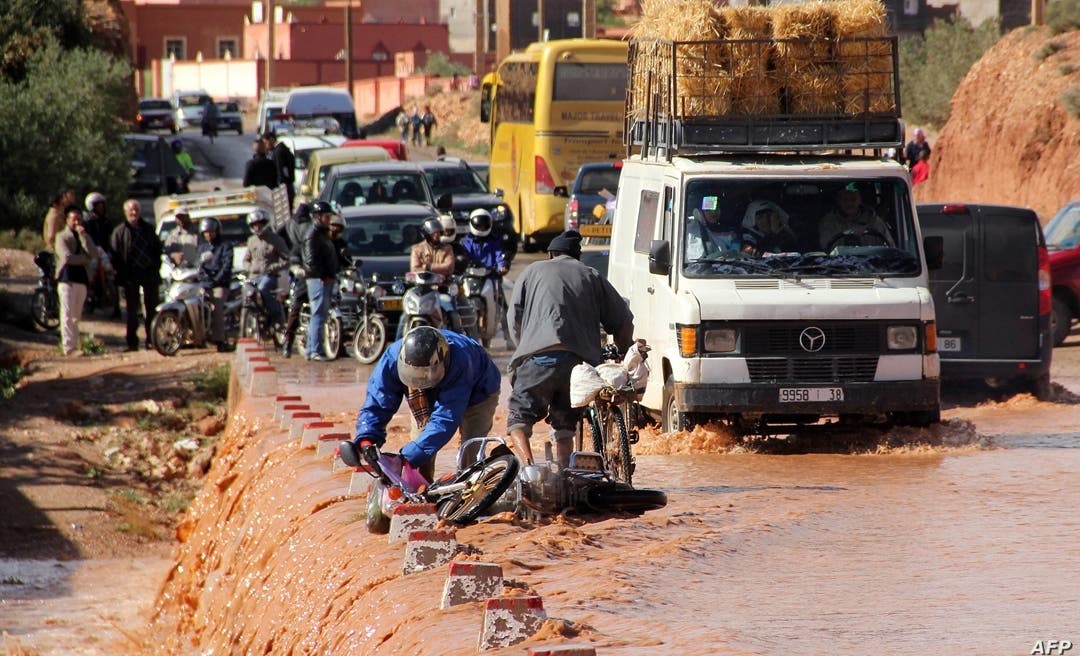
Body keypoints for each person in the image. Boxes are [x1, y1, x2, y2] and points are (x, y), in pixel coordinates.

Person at [506, 229, 634, 468]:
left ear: (551, 254)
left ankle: (529, 469)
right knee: (566, 425)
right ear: (577, 256)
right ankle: (566, 474)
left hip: (537, 360)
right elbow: (623, 320)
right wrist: (626, 350)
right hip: (579, 365)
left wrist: (524, 348)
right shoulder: (592, 275)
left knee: (518, 419)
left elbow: (514, 318)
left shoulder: (531, 271)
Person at [351, 326, 501, 483]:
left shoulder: (460, 361)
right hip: (425, 392)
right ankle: (423, 491)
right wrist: (366, 439)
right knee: (419, 447)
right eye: (416, 376)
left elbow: (445, 420)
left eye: (424, 376)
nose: (421, 381)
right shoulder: (391, 359)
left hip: (480, 391)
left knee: (471, 450)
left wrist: (405, 458)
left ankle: (472, 490)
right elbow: (378, 402)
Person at [110, 199, 162, 352]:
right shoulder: (120, 231)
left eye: (136, 210)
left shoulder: (148, 229)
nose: (134, 213)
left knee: (152, 308)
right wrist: (120, 273)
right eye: (131, 210)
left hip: (149, 273)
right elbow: (115, 255)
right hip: (130, 276)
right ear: (125, 212)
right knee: (132, 311)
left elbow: (157, 250)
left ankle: (152, 340)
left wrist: (155, 267)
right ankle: (132, 342)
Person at [55, 206, 97, 356]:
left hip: (82, 279)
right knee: (66, 313)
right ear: (67, 220)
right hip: (67, 279)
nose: (77, 222)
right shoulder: (62, 237)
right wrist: (84, 259)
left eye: (79, 219)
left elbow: (93, 253)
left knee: (76, 315)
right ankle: (68, 347)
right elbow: (67, 257)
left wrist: (84, 237)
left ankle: (75, 344)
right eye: (74, 219)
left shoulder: (84, 235)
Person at [461, 209, 509, 341]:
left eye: (484, 225)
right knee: (459, 302)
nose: (481, 228)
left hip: (490, 277)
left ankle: (509, 336)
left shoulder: (494, 240)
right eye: (479, 225)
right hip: (470, 277)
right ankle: (459, 334)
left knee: (503, 306)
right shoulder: (466, 242)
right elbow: (462, 257)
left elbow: (500, 256)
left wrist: (502, 267)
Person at [301, 200, 340, 362]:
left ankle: (312, 350)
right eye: (326, 216)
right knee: (318, 314)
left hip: (324, 278)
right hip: (318, 280)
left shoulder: (322, 233)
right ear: (317, 216)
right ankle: (315, 350)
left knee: (320, 315)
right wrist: (323, 275)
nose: (328, 219)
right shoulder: (313, 234)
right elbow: (311, 261)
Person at [242, 209, 289, 329]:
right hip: (253, 277)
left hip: (270, 276)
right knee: (245, 292)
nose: (257, 227)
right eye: (254, 225)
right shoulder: (251, 241)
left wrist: (273, 267)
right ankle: (246, 324)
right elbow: (245, 260)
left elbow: (287, 259)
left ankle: (277, 318)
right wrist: (249, 267)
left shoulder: (276, 239)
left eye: (259, 224)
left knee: (263, 289)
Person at [279, 203, 313, 358]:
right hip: (305, 279)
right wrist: (296, 267)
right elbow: (294, 255)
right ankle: (288, 341)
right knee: (295, 307)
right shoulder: (302, 241)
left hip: (324, 280)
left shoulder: (324, 238)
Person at [818, 183, 895, 251]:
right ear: (838, 201)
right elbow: (826, 248)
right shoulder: (828, 223)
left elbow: (890, 249)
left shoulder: (875, 222)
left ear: (860, 200)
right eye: (845, 200)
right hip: (838, 265)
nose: (849, 204)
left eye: (853, 199)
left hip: (873, 264)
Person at [197, 217, 234, 353]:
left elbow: (226, 267)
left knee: (216, 307)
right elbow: (197, 265)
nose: (208, 234)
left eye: (211, 231)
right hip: (204, 284)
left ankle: (220, 340)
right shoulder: (202, 248)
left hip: (220, 285)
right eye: (206, 232)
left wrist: (215, 281)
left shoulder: (226, 246)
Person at [82, 192, 120, 319]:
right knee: (88, 278)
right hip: (91, 254)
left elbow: (110, 238)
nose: (102, 207)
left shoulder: (106, 221)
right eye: (99, 205)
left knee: (113, 276)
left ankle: (116, 307)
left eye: (102, 205)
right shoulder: (86, 221)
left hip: (104, 253)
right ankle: (88, 302)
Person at [685, 195, 742, 259]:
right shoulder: (694, 229)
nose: (713, 213)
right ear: (699, 212)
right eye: (708, 210)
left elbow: (735, 255)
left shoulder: (730, 232)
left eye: (716, 208)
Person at [263, 130, 296, 211]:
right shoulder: (283, 149)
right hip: (288, 186)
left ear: (271, 139)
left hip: (283, 189)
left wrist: (279, 189)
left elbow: (280, 171)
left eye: (265, 142)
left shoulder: (278, 152)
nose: (265, 146)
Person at [43, 187, 76, 253]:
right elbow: (51, 237)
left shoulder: (61, 215)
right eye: (71, 194)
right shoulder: (54, 216)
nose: (74, 197)